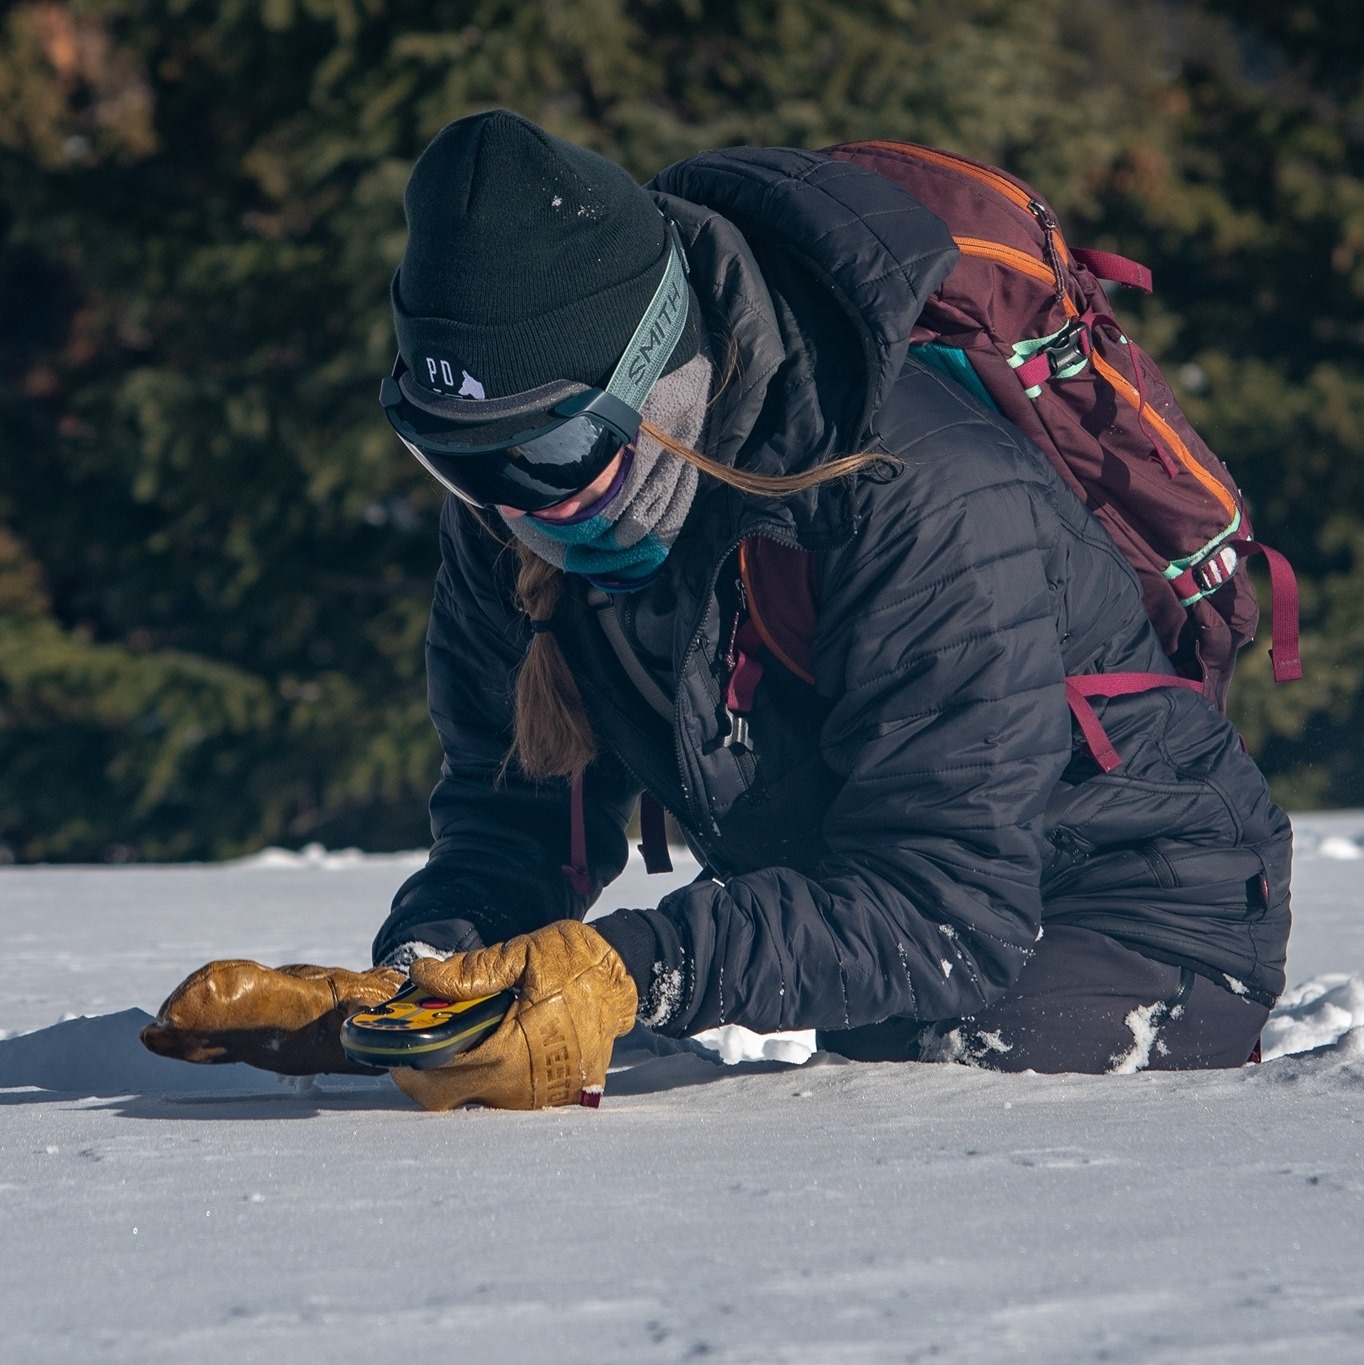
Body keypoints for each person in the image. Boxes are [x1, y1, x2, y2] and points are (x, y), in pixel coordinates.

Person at [142, 110, 1291, 1107]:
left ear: (659, 379)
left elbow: (943, 908)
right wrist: (425, 978)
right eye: (447, 455)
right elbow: (513, 822)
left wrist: (631, 968)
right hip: (888, 906)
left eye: (546, 445)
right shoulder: (513, 502)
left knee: (922, 1120)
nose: (501, 501)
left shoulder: (919, 494)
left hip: (1130, 912)